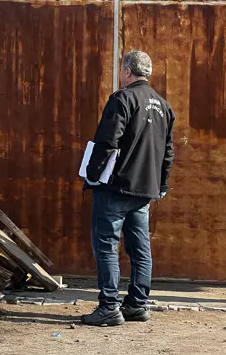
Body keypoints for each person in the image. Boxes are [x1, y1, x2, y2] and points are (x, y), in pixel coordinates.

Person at [81, 51, 175, 327]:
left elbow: (107, 141)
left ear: (127, 71)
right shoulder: (164, 106)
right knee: (140, 247)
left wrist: (92, 174)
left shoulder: (122, 99)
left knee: (107, 246)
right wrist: (162, 184)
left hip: (116, 187)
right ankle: (137, 304)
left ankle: (109, 307)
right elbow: (168, 152)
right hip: (145, 190)